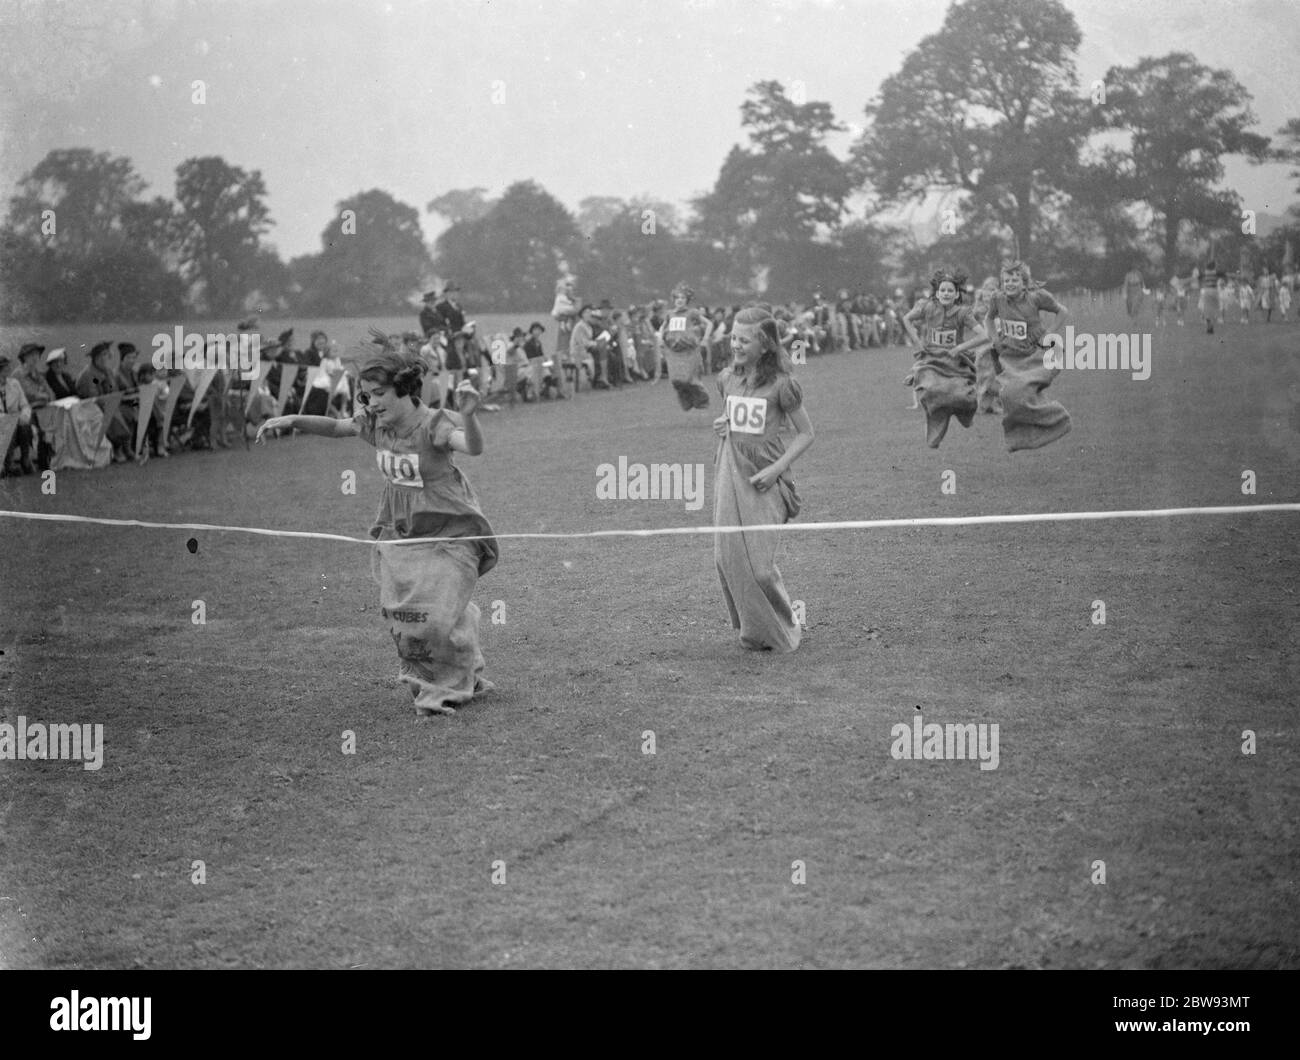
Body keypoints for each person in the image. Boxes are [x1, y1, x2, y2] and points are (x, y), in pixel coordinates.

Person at [255, 352, 498, 717]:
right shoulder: (375, 424)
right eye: (367, 393)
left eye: (380, 393)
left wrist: (469, 414)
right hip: (402, 531)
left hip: (451, 528)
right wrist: (291, 418)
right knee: (409, 616)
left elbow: (475, 447)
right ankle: (464, 669)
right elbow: (338, 427)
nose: (371, 401)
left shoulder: (433, 425)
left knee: (434, 617)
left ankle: (439, 692)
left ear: (404, 391)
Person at [712, 306, 813, 653]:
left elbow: (806, 434)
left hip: (767, 479)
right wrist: (722, 424)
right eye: (733, 337)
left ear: (766, 344)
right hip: (731, 474)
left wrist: (775, 470)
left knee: (759, 568)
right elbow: (730, 417)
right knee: (727, 558)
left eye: (744, 339)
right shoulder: (727, 378)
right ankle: (755, 631)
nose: (735, 345)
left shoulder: (783, 385)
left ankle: (784, 628)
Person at [982, 261, 1071, 452]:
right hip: (1011, 354)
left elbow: (1062, 311)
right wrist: (995, 338)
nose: (1010, 284)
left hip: (1037, 353)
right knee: (1008, 395)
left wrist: (1049, 334)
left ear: (1024, 283)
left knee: (1019, 392)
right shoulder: (997, 299)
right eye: (1006, 281)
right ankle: (1022, 438)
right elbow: (988, 318)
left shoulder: (1037, 298)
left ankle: (1058, 419)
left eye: (1015, 280)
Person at [901, 269, 988, 448]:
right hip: (932, 359)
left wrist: (959, 348)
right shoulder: (927, 307)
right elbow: (906, 319)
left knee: (963, 398)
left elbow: (984, 336)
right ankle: (934, 425)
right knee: (930, 390)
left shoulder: (963, 313)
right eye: (943, 290)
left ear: (956, 294)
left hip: (955, 361)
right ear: (937, 293)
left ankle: (963, 412)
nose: (946, 294)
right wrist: (917, 341)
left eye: (950, 291)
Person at [76, 341, 133, 462]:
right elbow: (93, 397)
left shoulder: (108, 371)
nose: (106, 358)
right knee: (114, 414)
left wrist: (113, 399)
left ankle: (126, 447)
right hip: (90, 409)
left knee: (128, 411)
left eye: (107, 355)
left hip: (109, 404)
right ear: (96, 358)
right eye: (102, 355)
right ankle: (118, 448)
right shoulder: (88, 375)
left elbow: (115, 389)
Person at [659, 283, 711, 411]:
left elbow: (709, 323)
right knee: (676, 380)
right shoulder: (670, 314)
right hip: (673, 351)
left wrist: (705, 339)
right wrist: (661, 339)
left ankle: (701, 399)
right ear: (674, 300)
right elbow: (662, 327)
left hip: (689, 350)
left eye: (682, 298)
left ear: (687, 300)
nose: (680, 300)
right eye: (677, 298)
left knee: (688, 378)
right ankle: (686, 401)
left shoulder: (692, 313)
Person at [0, 354, 35, 475]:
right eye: (3, 368)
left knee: (24, 425)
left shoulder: (14, 384)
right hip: (2, 424)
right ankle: (7, 464)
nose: (7, 369)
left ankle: (25, 459)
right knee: (11, 427)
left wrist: (24, 416)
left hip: (15, 422)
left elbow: (25, 405)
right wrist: (8, 419)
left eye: (7, 367)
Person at [550, 278, 578, 398]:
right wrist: (565, 315)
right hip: (564, 331)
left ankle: (570, 388)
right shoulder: (560, 299)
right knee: (563, 355)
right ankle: (563, 388)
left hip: (572, 330)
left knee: (570, 355)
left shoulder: (575, 301)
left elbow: (575, 311)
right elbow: (556, 313)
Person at [1198, 260, 1224, 333]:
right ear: (1214, 266)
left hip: (1206, 290)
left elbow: (1198, 278)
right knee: (1215, 308)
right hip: (1214, 290)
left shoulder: (1204, 273)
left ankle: (1208, 323)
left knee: (1207, 308)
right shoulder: (1216, 273)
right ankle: (1211, 325)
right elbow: (1225, 274)